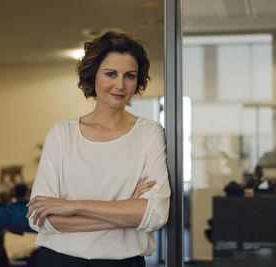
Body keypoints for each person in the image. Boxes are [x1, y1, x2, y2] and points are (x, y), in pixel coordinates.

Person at [26, 31, 171, 267]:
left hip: (121, 262)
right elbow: (40, 219)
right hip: (58, 261)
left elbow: (154, 215)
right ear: (94, 75)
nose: (120, 85)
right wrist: (124, 209)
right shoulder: (62, 133)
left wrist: (72, 206)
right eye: (111, 74)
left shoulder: (149, 133)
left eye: (130, 76)